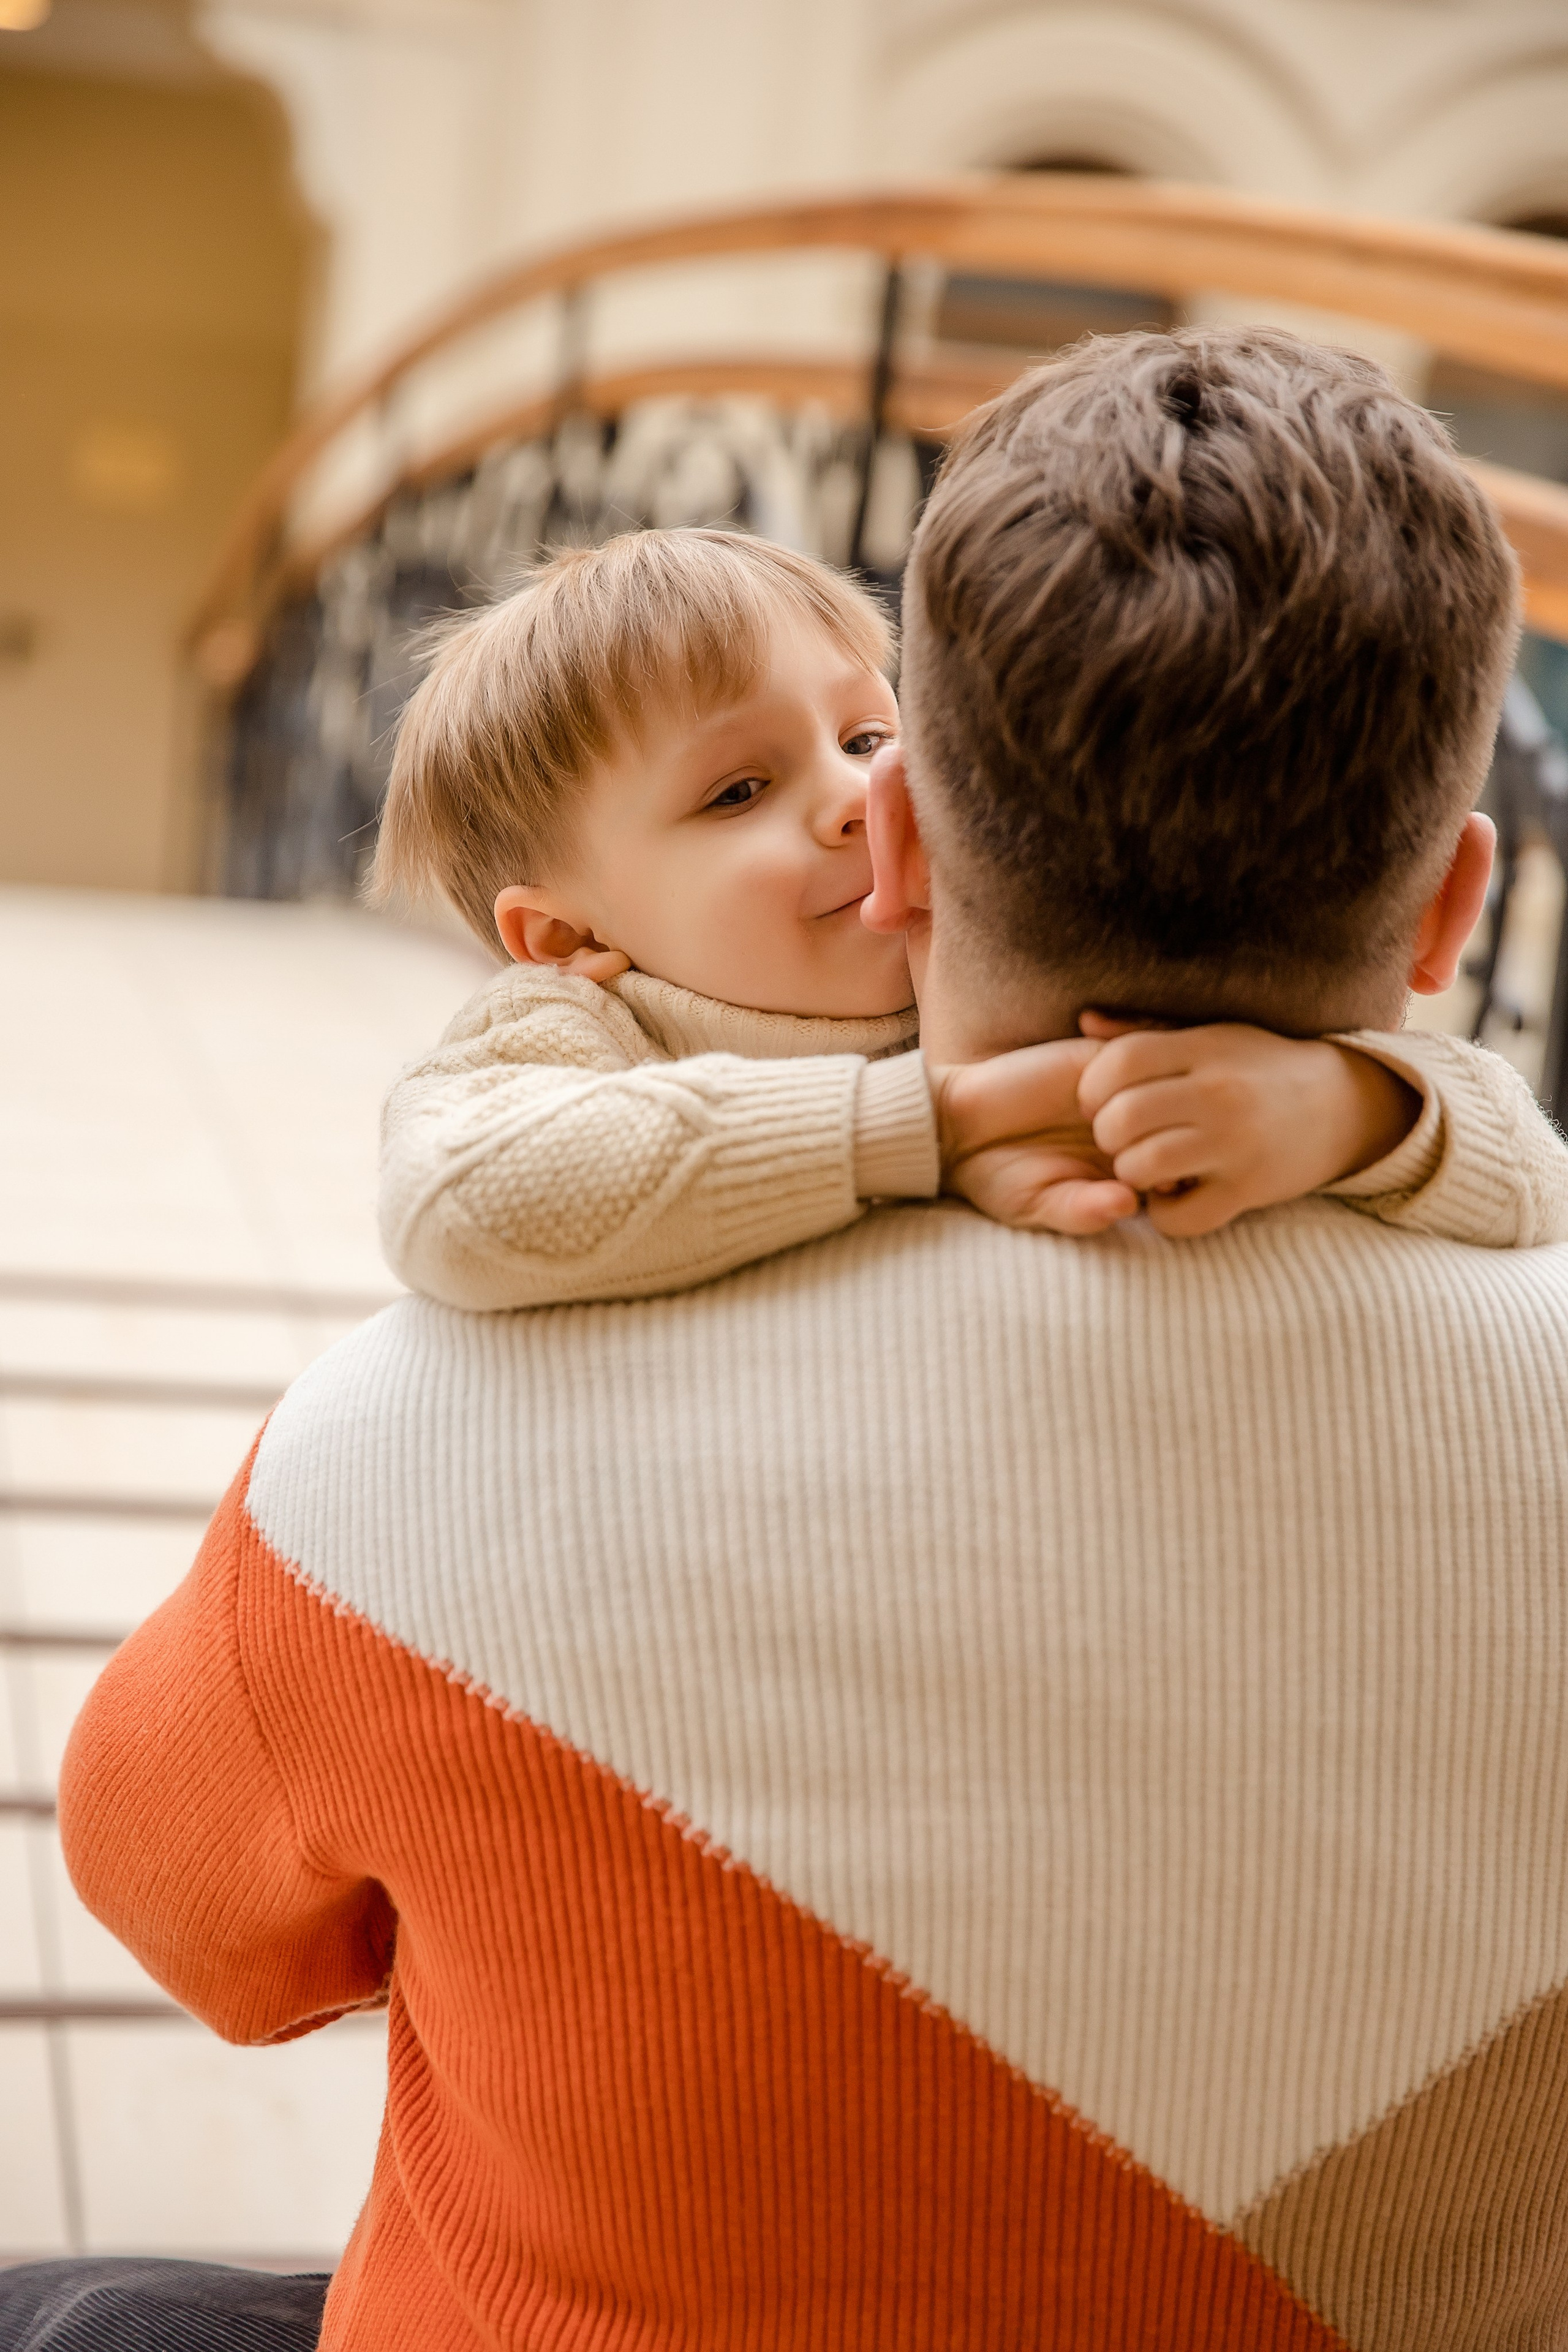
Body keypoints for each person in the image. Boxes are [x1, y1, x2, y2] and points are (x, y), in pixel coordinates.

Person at [30, 325, 1568, 2352]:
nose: (834, 814)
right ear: (1458, 910)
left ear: (914, 838)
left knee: (93, 2315)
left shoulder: (394, 1459)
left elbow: (197, 1917)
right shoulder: (562, 1083)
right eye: (753, 783)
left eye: (857, 751)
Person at [372, 529, 1567, 1313]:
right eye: (738, 790)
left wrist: (1351, 1109)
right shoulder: (578, 1031)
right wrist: (928, 1125)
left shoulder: (1014, 937)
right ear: (568, 938)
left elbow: (1535, 1181)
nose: (857, 800)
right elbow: (455, 1204)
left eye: (867, 738)